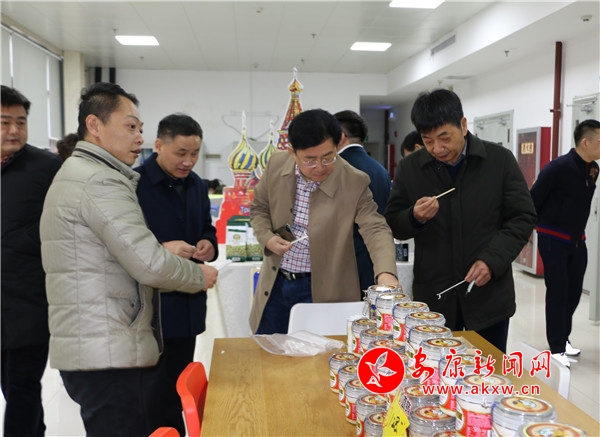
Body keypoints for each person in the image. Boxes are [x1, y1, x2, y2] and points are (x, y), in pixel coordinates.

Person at [40, 82, 218, 437]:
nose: (139, 137)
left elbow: (116, 251)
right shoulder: (100, 181)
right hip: (107, 347)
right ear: (95, 125)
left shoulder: (85, 174)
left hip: (101, 342)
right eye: (131, 126)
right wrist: (199, 276)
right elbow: (148, 263)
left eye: (140, 128)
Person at [385, 89, 536, 353]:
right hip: (435, 297)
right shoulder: (411, 168)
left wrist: (491, 261)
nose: (437, 148)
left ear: (463, 125)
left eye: (445, 138)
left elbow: (522, 217)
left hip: (488, 295)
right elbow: (394, 222)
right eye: (428, 141)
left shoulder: (499, 161)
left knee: (487, 369)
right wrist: (414, 217)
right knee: (435, 367)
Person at [249, 108, 400, 334]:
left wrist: (385, 272)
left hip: (323, 289)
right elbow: (259, 209)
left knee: (322, 351)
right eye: (309, 160)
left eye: (328, 157)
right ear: (292, 152)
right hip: (276, 283)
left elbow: (375, 228)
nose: (320, 167)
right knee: (269, 348)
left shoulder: (354, 181)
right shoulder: (277, 164)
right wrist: (267, 237)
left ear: (339, 144)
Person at [135, 113, 218, 435]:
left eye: (194, 153)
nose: (188, 161)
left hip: (188, 306)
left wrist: (208, 244)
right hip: (153, 310)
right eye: (181, 153)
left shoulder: (196, 185)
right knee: (153, 397)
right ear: (158, 145)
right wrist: (160, 248)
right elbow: (124, 245)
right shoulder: (134, 185)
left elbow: (206, 228)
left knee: (179, 389)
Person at [1, 85, 62, 437]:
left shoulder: (47, 168)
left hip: (31, 301)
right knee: (11, 386)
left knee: (22, 385)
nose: (14, 130)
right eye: (4, 122)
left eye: (21, 122)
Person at [530, 119, 600, 367]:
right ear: (585, 142)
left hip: (577, 240)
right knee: (557, 292)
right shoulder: (557, 167)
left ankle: (564, 337)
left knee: (573, 292)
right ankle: (556, 347)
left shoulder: (593, 169)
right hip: (553, 239)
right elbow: (533, 200)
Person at [334, 109, 392, 291]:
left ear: (340, 136)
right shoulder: (381, 170)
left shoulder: (337, 169)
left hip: (343, 264)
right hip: (376, 261)